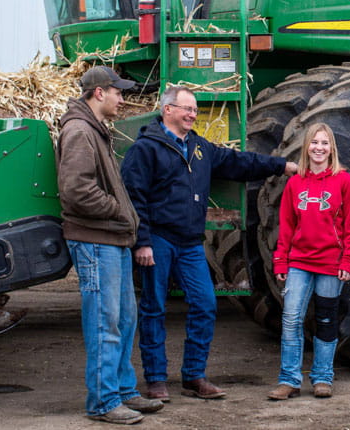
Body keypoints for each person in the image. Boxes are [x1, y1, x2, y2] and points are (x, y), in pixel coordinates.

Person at [121, 85, 298, 402]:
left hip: (190, 243)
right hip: (158, 240)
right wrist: (142, 242)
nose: (192, 114)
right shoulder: (146, 149)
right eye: (186, 108)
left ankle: (194, 376)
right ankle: (156, 380)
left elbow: (238, 162)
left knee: (205, 304)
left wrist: (280, 165)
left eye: (194, 109)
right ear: (167, 110)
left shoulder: (199, 148)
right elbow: (135, 199)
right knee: (153, 309)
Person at [56, 65, 164, 425]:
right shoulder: (79, 131)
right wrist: (120, 212)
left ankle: (122, 390)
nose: (122, 98)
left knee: (124, 318)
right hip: (95, 240)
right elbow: (76, 190)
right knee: (105, 322)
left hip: (111, 239)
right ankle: (103, 402)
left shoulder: (95, 130)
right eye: (118, 92)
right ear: (99, 93)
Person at [267, 123, 350, 401]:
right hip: (299, 261)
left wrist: (349, 259)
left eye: (324, 143)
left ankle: (322, 377)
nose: (319, 148)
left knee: (325, 319)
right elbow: (285, 225)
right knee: (291, 318)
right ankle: (289, 380)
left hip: (331, 264)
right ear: (306, 147)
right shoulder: (295, 183)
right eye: (314, 143)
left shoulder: (343, 181)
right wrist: (280, 262)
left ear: (331, 148)